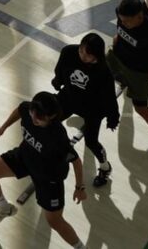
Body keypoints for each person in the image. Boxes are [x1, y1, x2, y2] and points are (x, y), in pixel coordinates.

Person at [0, 92, 87, 249]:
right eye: (32, 113)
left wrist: (79, 188)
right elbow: (20, 110)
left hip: (48, 177)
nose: (34, 119)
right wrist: (3, 127)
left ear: (52, 116)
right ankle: (4, 207)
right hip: (25, 157)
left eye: (40, 117)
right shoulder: (28, 110)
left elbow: (76, 162)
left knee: (55, 221)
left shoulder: (58, 137)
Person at [106, 0, 148, 159]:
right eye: (121, 20)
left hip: (138, 70)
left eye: (127, 21)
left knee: (141, 107)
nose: (124, 23)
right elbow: (121, 29)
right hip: (117, 56)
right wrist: (118, 37)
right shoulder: (122, 14)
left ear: (140, 16)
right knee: (98, 75)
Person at [51, 33, 119, 187]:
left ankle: (105, 167)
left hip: (92, 108)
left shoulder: (103, 71)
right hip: (69, 97)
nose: (83, 56)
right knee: (50, 121)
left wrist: (112, 117)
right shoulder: (69, 52)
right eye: (81, 50)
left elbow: (109, 97)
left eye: (88, 55)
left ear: (97, 55)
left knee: (91, 142)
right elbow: (60, 68)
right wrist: (57, 81)